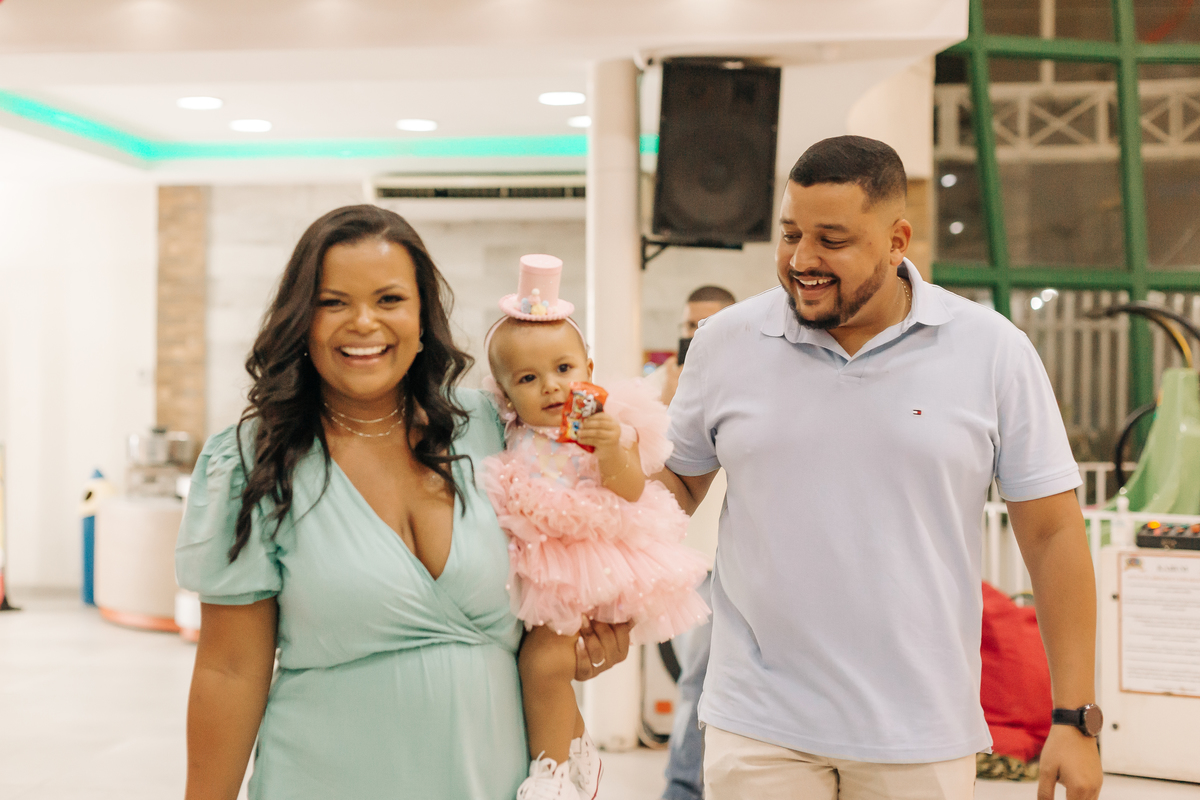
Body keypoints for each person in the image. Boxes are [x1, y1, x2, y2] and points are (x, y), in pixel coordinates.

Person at [654, 136, 1104, 800]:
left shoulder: (992, 351)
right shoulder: (725, 344)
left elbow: (1052, 533)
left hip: (921, 731)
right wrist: (599, 570)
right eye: (790, 234)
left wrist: (1074, 718)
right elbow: (674, 489)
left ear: (897, 241)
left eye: (831, 240)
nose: (802, 260)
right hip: (759, 725)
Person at [176, 206, 630, 800]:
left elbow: (585, 548)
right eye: (333, 302)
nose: (364, 322)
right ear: (302, 320)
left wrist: (590, 639)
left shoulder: (497, 428)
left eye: (389, 299)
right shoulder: (256, 460)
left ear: (422, 319)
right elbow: (229, 670)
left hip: (493, 782)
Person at [482, 254, 710, 800]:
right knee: (547, 663)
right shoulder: (509, 433)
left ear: (587, 367)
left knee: (544, 662)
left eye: (564, 369)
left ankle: (552, 772)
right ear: (505, 393)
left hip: (585, 562)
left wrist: (610, 448)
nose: (551, 387)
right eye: (528, 379)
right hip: (539, 560)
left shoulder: (605, 427)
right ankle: (574, 746)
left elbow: (631, 488)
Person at [650, 286, 736, 800]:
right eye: (690, 325)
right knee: (696, 676)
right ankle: (682, 788)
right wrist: (666, 402)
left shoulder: (750, 379)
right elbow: (640, 465)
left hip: (742, 560)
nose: (697, 334)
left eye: (709, 323)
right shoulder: (660, 385)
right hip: (692, 562)